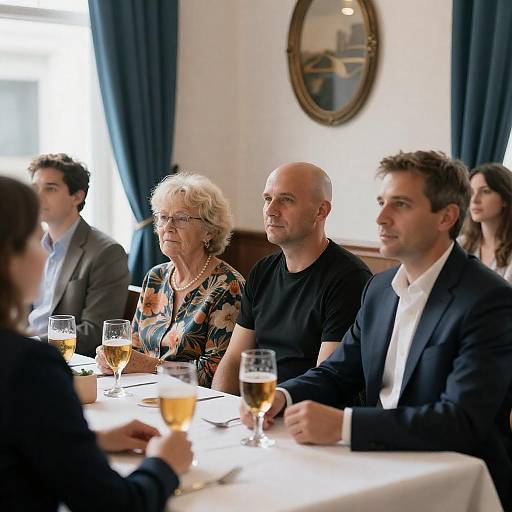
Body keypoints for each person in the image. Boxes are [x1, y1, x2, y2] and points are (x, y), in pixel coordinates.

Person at [241, 151, 512, 510]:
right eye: (382, 202)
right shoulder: (380, 289)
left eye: (400, 205)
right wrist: (283, 396)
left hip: (452, 478)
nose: (381, 217)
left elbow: (460, 420)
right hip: (375, 462)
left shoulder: (488, 299)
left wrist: (345, 426)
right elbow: (338, 372)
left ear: (446, 216)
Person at [0, 176, 193, 512]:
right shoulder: (28, 367)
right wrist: (164, 466)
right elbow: (112, 505)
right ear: (9, 256)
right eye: (35, 238)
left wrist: (91, 442)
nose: (46, 255)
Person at [212, 162, 372, 394]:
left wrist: (273, 407)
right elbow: (235, 359)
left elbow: (328, 379)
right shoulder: (262, 271)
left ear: (321, 211)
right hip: (257, 411)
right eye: (268, 198)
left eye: (286, 199)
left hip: (307, 416)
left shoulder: (349, 278)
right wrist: (221, 409)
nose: (271, 210)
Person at [96, 173, 244, 387]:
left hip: (194, 403)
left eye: (181, 218)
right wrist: (113, 359)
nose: (168, 226)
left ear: (209, 231)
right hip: (142, 393)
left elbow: (215, 374)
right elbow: (134, 346)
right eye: (163, 217)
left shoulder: (227, 287)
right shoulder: (155, 277)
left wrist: (149, 366)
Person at [28, 153, 131, 356]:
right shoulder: (31, 247)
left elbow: (96, 333)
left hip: (60, 362)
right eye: (35, 188)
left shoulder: (106, 252)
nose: (38, 197)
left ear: (77, 196)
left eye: (50, 188)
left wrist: (28, 345)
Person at [460, 163, 512, 284]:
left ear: (505, 199)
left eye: (486, 191)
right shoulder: (460, 245)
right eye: (471, 192)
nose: (474, 199)